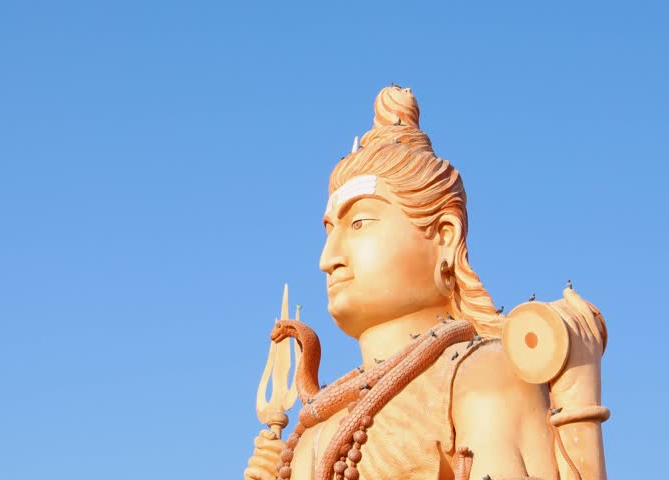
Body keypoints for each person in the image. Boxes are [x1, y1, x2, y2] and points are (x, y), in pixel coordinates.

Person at [244, 86, 608, 480]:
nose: (328, 258)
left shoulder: (479, 378)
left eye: (360, 223)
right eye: (329, 230)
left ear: (445, 236)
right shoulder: (316, 427)